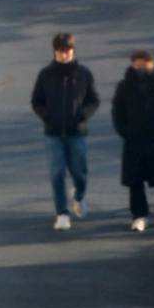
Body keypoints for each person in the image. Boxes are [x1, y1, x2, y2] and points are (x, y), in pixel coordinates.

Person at [31, 32, 100, 231]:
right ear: (55, 52)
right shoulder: (45, 74)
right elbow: (37, 102)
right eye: (60, 51)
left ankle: (79, 196)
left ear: (73, 50)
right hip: (53, 134)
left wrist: (83, 116)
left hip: (76, 133)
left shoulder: (83, 74)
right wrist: (47, 116)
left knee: (80, 172)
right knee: (57, 173)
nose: (64, 54)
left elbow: (93, 100)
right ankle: (62, 213)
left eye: (67, 50)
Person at [111, 50, 154, 232]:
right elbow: (118, 113)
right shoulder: (124, 87)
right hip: (135, 143)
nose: (141, 68)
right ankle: (139, 215)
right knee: (135, 181)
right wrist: (126, 132)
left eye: (145, 64)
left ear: (152, 64)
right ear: (132, 65)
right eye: (138, 65)